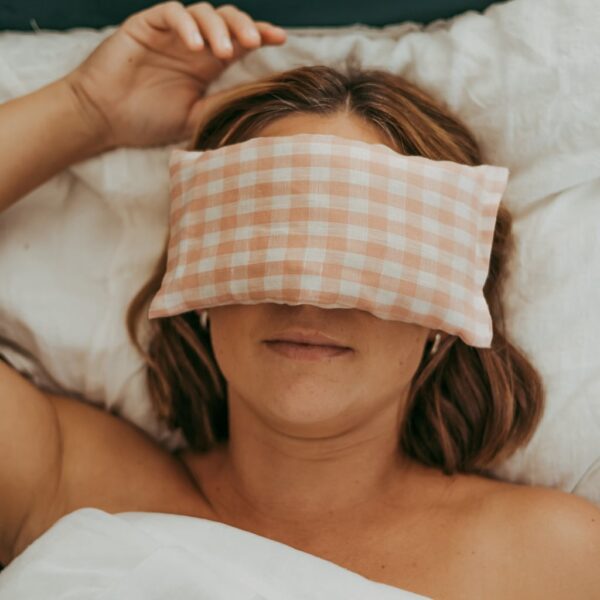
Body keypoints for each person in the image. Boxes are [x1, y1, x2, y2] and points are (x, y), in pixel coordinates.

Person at [0, 2, 598, 598]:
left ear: (445, 309)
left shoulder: (559, 558)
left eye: (368, 251)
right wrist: (86, 110)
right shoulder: (62, 483)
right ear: (199, 284)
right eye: (267, 237)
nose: (310, 294)